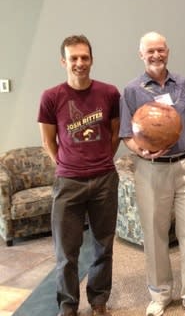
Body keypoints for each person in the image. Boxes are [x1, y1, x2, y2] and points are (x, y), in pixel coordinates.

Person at [119, 32, 185, 316]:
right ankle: (159, 293)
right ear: (141, 55)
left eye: (161, 50)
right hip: (151, 169)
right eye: (150, 51)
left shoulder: (182, 84)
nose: (156, 55)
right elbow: (125, 134)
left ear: (168, 51)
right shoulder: (132, 89)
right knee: (155, 233)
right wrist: (140, 151)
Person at [38, 35, 120, 316]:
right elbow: (48, 141)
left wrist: (102, 159)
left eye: (84, 57)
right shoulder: (51, 96)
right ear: (64, 61)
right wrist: (65, 163)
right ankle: (68, 304)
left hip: (104, 180)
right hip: (68, 182)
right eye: (73, 58)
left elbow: (115, 132)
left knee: (103, 245)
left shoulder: (109, 93)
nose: (79, 63)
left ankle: (98, 301)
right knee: (66, 250)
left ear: (92, 59)